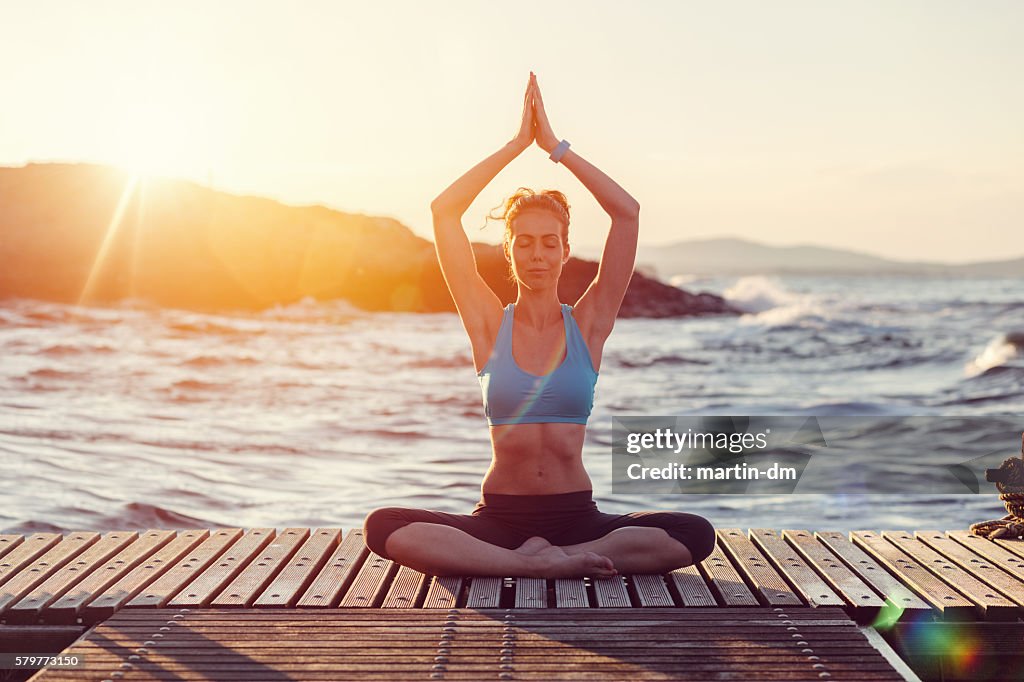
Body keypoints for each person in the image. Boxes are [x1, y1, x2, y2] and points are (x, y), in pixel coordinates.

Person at [363, 73, 715, 578]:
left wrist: (554, 147)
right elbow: (445, 212)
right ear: (508, 250)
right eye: (523, 241)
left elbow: (627, 215)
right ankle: (538, 566)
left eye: (549, 242)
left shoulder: (590, 324)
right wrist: (515, 145)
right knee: (384, 526)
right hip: (501, 516)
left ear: (565, 251)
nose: (537, 254)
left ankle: (540, 561)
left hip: (579, 517)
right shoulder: (487, 324)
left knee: (694, 533)